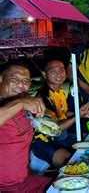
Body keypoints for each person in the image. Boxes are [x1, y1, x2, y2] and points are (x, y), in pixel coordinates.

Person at [32, 58, 89, 168]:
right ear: (44, 74)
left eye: (61, 69)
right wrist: (78, 116)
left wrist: (83, 113)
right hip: (44, 141)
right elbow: (54, 128)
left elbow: (64, 113)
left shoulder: (60, 91)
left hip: (62, 136)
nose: (59, 73)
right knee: (71, 162)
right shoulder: (43, 97)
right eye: (53, 71)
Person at [0, 61, 51, 192]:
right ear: (1, 79)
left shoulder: (24, 109)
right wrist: (22, 102)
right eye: (14, 79)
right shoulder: (19, 104)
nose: (21, 84)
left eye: (26, 81)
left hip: (25, 182)